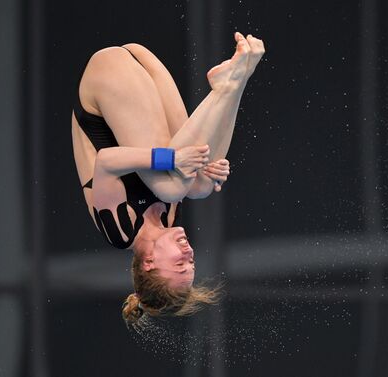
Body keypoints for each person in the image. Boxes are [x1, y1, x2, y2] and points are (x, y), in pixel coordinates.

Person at [71, 32, 265, 326]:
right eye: (192, 262)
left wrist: (171, 160)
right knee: (199, 187)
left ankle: (226, 88)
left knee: (174, 185)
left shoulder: (120, 230)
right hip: (141, 63)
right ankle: (236, 83)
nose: (189, 252)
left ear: (148, 263)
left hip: (106, 76)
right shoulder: (170, 218)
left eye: (179, 262)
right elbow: (194, 163)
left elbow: (106, 162)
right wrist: (209, 171)